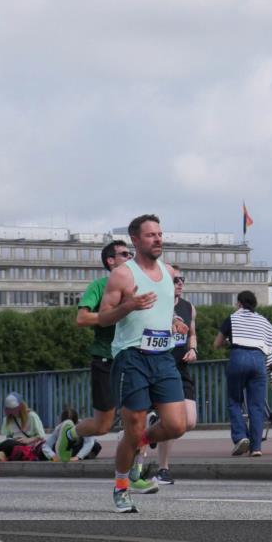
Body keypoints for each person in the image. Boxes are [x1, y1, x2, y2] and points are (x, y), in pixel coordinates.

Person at [98, 214, 191, 513]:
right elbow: (104, 317)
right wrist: (129, 305)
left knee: (177, 425)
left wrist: (175, 320)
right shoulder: (123, 275)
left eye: (160, 234)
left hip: (163, 356)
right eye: (151, 235)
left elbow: (164, 307)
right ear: (136, 240)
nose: (158, 239)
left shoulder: (168, 272)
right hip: (131, 356)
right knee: (133, 427)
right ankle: (122, 486)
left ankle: (141, 442)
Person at [71, 240, 151, 484]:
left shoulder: (142, 283)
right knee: (103, 425)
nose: (130, 257)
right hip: (106, 358)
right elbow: (82, 318)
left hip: (137, 357)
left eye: (132, 253)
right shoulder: (100, 285)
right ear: (111, 261)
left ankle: (135, 472)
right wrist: (119, 311)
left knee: (140, 419)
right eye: (125, 254)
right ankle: (70, 431)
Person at [213, 290, 272, 457]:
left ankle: (241, 437)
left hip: (238, 358)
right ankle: (256, 447)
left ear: (239, 304)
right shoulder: (262, 320)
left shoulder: (232, 318)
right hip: (258, 362)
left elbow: (216, 344)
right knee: (256, 406)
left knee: (235, 401)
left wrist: (229, 340)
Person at [152, 265, 199, 484]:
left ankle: (151, 430)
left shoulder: (189, 307)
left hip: (181, 368)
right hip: (159, 367)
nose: (180, 283)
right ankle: (163, 469)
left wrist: (193, 349)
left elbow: (193, 334)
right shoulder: (154, 304)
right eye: (175, 280)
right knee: (171, 421)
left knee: (189, 421)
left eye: (182, 280)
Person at [0, 392, 47, 461]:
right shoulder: (7, 419)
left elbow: (41, 436)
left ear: (20, 406)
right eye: (9, 409)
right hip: (11, 445)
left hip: (24, 447)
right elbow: (8, 437)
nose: (12, 411)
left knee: (8, 443)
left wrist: (28, 440)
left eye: (14, 408)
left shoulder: (32, 416)